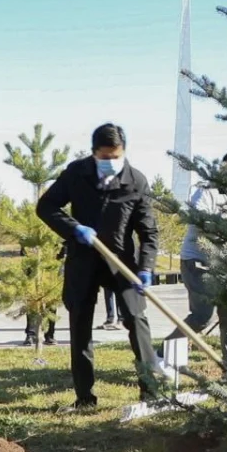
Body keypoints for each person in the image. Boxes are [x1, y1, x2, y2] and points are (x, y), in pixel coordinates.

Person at [37, 123, 161, 411]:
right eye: (104, 158)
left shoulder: (136, 181)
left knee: (136, 319)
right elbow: (46, 207)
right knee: (80, 325)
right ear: (93, 154)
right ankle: (85, 398)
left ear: (124, 152)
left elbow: (149, 232)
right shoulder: (76, 173)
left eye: (115, 157)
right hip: (84, 258)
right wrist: (74, 228)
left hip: (122, 263)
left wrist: (146, 267)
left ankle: (151, 394)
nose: (110, 163)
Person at [164, 150, 227, 371]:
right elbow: (200, 220)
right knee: (202, 316)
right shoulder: (207, 191)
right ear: (223, 168)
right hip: (199, 262)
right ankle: (167, 351)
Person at [24, 243, 66, 347]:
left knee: (52, 301)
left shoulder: (56, 230)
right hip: (33, 265)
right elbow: (25, 248)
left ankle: (49, 335)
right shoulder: (33, 229)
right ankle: (31, 334)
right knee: (32, 301)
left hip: (52, 266)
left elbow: (62, 248)